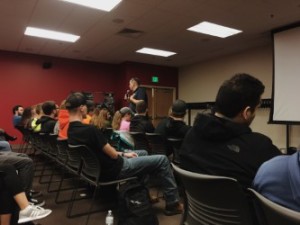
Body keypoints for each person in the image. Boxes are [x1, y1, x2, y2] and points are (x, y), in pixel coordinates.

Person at [66, 92, 183, 216]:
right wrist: (123, 155)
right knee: (163, 160)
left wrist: (125, 153)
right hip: (116, 168)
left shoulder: (71, 131)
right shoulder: (90, 130)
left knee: (142, 152)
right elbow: (113, 155)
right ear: (82, 108)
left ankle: (142, 195)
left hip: (97, 171)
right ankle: (173, 204)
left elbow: (109, 153)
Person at [179, 73, 282, 188]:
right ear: (246, 112)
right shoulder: (260, 147)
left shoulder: (191, 134)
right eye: (256, 108)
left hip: (196, 205)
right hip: (245, 206)